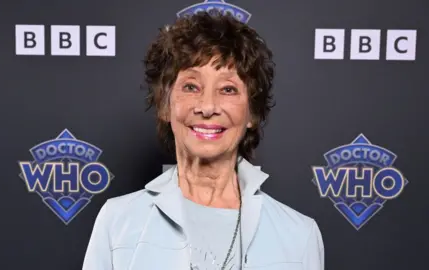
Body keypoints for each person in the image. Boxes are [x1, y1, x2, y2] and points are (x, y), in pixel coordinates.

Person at [82, 11, 324, 270]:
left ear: (252, 113)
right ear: (165, 105)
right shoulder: (117, 222)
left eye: (228, 89)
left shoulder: (300, 236)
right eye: (191, 87)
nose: (208, 107)